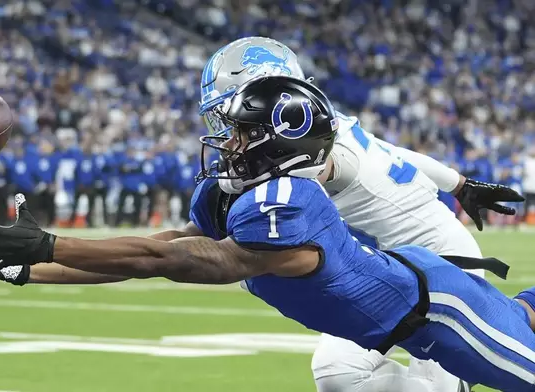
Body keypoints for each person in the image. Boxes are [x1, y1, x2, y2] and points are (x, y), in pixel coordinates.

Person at [0, 76, 535, 392]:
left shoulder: (293, 201)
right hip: (394, 312)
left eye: (243, 134)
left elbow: (194, 262)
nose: (228, 144)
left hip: (440, 313)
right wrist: (32, 268)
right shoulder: (244, 198)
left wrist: (54, 245)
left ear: (282, 140)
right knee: (341, 374)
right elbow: (163, 249)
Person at [196, 37, 524, 392]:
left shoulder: (315, 153)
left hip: (442, 264)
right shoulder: (329, 127)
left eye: (236, 115)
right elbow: (394, 152)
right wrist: (460, 185)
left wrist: (235, 187)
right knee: (337, 372)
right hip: (387, 269)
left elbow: (317, 172)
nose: (229, 131)